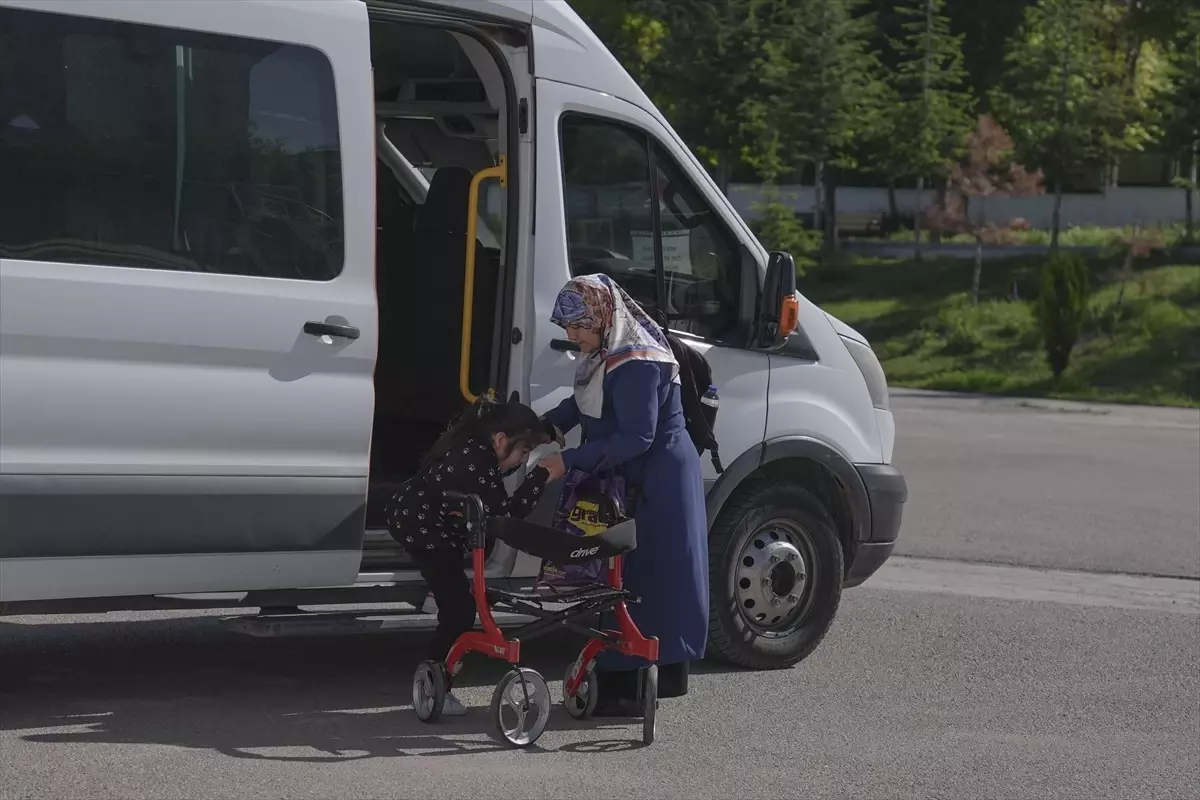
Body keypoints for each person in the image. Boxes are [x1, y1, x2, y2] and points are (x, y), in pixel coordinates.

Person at [537, 274, 709, 716]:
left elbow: (637, 435)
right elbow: (584, 403)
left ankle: (637, 684)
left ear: (602, 317)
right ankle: (621, 679)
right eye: (567, 327)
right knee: (621, 577)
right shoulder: (604, 351)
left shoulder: (635, 362)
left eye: (579, 327)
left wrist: (568, 460)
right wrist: (543, 426)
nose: (572, 337)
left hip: (657, 479)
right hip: (627, 474)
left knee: (650, 580)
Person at [387, 397, 554, 716]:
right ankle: (435, 685)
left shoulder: (478, 450)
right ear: (501, 439)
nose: (522, 461)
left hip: (431, 523)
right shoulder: (474, 461)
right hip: (422, 528)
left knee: (459, 583)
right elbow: (504, 517)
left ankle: (442, 592)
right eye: (522, 451)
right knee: (459, 611)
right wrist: (541, 477)